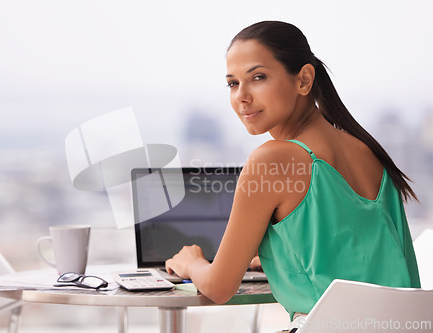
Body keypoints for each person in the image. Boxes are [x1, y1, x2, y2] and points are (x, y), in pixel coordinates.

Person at [165, 21, 421, 330]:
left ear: (303, 80)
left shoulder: (271, 160)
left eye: (258, 77)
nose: (241, 96)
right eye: (232, 83)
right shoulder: (368, 153)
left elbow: (219, 288)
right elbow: (358, 253)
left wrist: (191, 262)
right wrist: (281, 257)